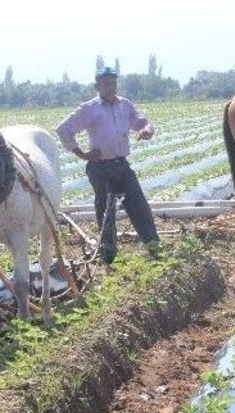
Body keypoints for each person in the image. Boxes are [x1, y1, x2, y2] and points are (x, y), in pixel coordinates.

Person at [56, 66, 160, 264]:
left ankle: (154, 247)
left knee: (139, 205)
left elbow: (141, 122)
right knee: (106, 210)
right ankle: (108, 255)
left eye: (113, 83)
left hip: (122, 164)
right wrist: (82, 154)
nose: (110, 87)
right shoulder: (89, 108)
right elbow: (63, 129)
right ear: (97, 85)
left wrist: (147, 130)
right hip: (100, 168)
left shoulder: (124, 105)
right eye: (106, 84)